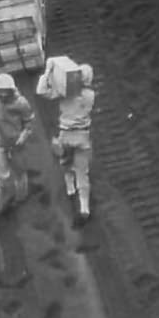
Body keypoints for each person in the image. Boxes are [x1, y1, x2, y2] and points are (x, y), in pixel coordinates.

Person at [36, 59, 96, 226]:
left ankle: (70, 187)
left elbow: (41, 91)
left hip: (66, 136)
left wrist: (48, 71)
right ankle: (84, 207)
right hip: (83, 137)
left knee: (64, 160)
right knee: (83, 172)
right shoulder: (90, 96)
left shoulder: (64, 93)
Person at [0, 72, 34, 215]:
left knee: (20, 173)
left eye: (6, 91)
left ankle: (21, 197)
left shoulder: (21, 103)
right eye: (0, 91)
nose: (3, 94)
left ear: (11, 90)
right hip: (0, 144)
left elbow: (29, 124)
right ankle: (4, 199)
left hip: (17, 145)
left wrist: (22, 138)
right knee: (1, 177)